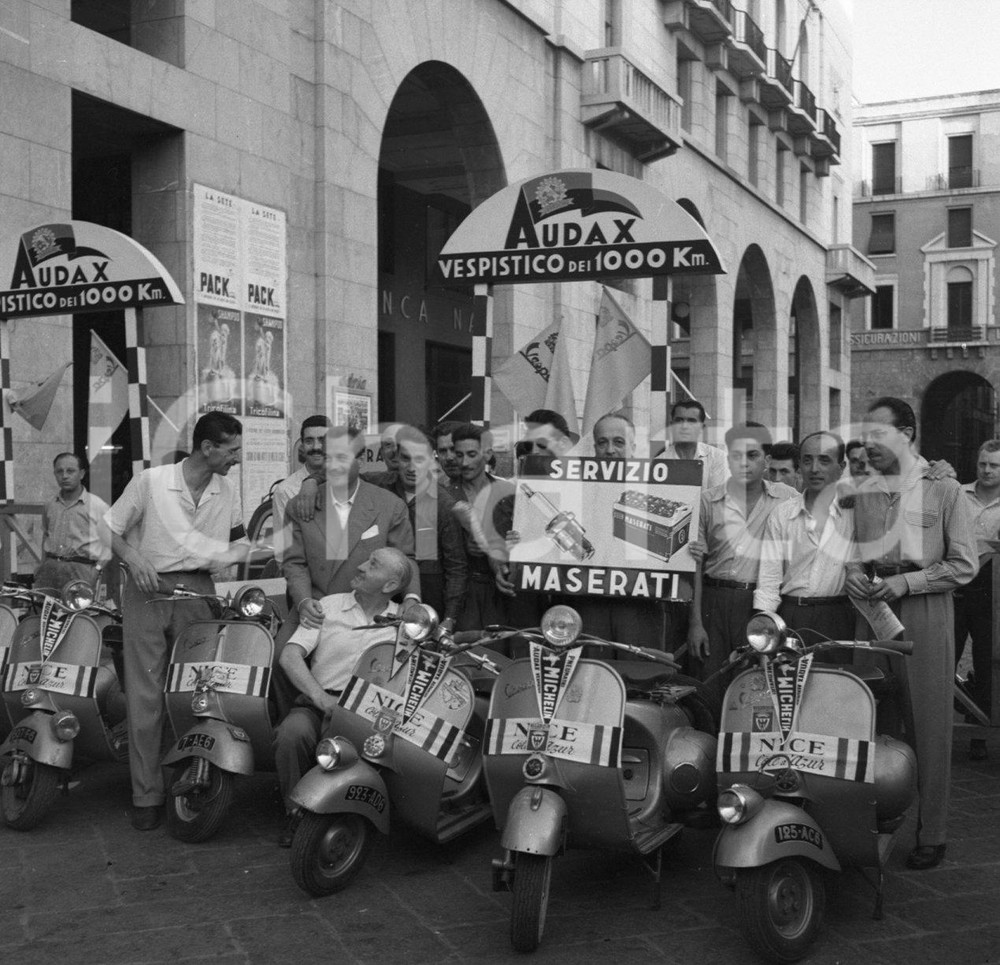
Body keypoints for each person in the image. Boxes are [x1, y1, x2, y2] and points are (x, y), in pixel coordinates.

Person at [844, 397, 977, 871]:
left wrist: (905, 582)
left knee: (930, 725)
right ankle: (871, 820)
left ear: (908, 432)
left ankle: (932, 833)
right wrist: (855, 573)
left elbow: (964, 565)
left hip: (925, 610)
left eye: (878, 434)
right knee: (869, 716)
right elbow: (855, 552)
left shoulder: (945, 489)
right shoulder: (863, 488)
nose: (867, 444)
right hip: (874, 614)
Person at [106, 412, 251, 831]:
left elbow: (238, 543)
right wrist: (133, 559)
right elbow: (108, 529)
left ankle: (188, 783)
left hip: (198, 590)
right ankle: (146, 796)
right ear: (208, 448)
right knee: (146, 694)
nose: (237, 458)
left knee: (194, 692)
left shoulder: (225, 489)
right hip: (148, 590)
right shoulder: (152, 481)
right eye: (233, 449)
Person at [273, 547, 410, 845]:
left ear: (389, 586)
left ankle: (364, 816)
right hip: (320, 701)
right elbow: (290, 656)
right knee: (291, 733)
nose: (359, 566)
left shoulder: (404, 624)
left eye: (371, 565)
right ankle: (295, 813)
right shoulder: (329, 606)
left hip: (369, 714)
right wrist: (319, 696)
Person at [687, 423, 797, 705]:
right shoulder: (709, 501)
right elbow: (695, 565)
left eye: (753, 455)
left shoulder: (786, 499)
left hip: (761, 603)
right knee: (710, 684)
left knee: (756, 686)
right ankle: (708, 745)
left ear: (767, 460)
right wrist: (696, 623)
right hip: (714, 600)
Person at [282, 425, 419, 640]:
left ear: (361, 460)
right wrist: (303, 601)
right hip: (317, 609)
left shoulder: (389, 505)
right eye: (328, 458)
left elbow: (405, 559)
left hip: (368, 611)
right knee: (278, 661)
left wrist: (412, 598)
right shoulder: (299, 506)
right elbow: (294, 563)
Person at [755, 432, 856, 643]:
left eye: (825, 460)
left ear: (841, 467)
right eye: (807, 460)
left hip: (840, 616)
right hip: (792, 615)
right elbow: (769, 579)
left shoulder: (854, 513)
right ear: (800, 465)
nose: (815, 469)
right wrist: (763, 630)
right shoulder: (782, 514)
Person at [376, 425, 468, 627]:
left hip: (427, 608)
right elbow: (340, 478)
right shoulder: (378, 485)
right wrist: (310, 482)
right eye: (405, 458)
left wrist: (450, 619)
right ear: (395, 458)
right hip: (381, 601)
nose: (411, 468)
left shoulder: (444, 504)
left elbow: (457, 568)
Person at [953, 439, 1000, 749]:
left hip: (991, 594)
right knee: (945, 657)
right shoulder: (959, 495)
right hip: (956, 589)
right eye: (983, 463)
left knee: (988, 661)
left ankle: (979, 734)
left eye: (994, 465)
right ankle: (941, 727)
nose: (986, 470)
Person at [446, 423, 516, 630]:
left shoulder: (508, 493)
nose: (464, 462)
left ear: (487, 455)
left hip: (507, 589)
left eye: (471, 454)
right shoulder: (444, 496)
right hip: (467, 595)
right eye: (459, 455)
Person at [33, 452, 111, 592]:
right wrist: (42, 564)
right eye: (59, 471)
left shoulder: (97, 506)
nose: (64, 476)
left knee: (79, 613)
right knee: (41, 610)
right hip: (50, 569)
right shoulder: (50, 505)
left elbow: (111, 542)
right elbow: (46, 535)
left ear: (81, 474)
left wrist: (97, 570)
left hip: (81, 570)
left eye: (70, 471)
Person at [271, 415, 330, 563]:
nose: (316, 447)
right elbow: (284, 551)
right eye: (309, 441)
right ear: (302, 446)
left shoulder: (348, 483)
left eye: (323, 440)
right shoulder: (286, 490)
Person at [656, 399, 729, 488]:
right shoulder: (659, 463)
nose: (684, 426)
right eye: (679, 420)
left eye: (691, 421)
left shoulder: (718, 458)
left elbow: (718, 497)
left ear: (702, 428)